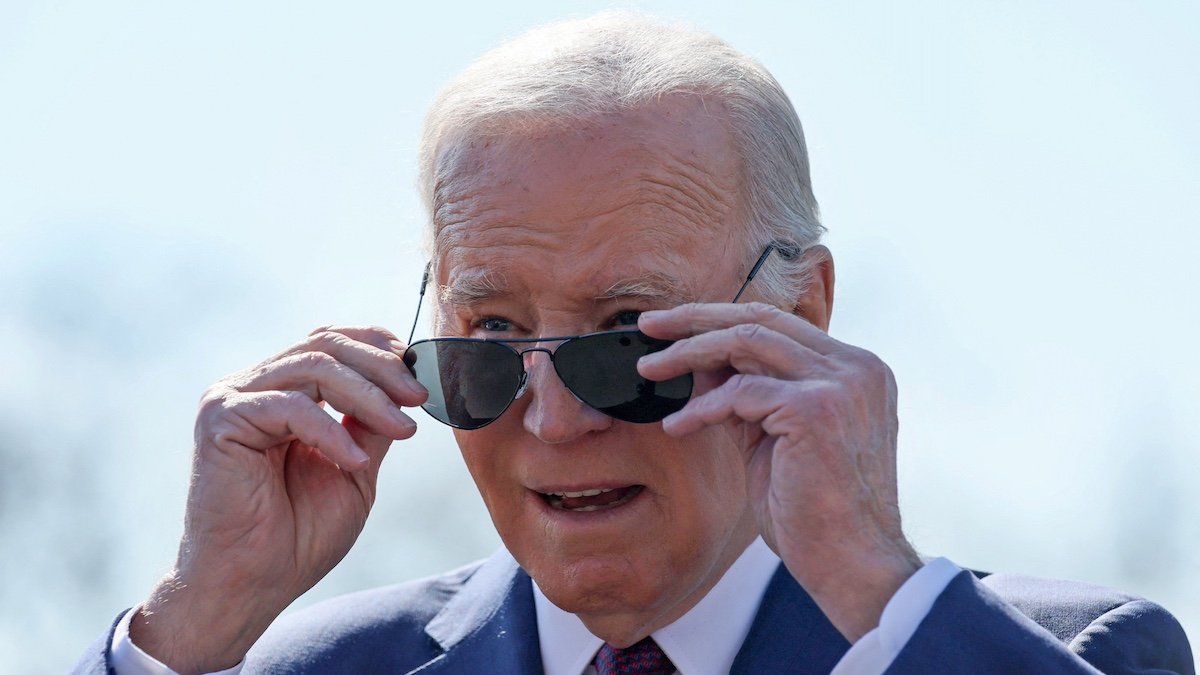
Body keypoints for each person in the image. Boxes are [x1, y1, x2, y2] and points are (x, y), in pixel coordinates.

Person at [74, 12, 1192, 675]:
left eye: (627, 337)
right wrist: (189, 628)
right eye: (495, 340)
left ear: (800, 320)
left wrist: (873, 587)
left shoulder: (1069, 653)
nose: (555, 421)